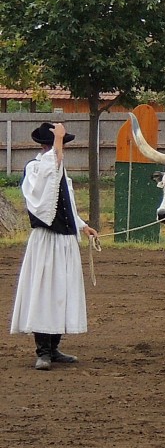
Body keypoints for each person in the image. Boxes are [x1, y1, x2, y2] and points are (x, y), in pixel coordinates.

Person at [10, 122, 99, 370]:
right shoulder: (36, 168)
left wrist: (83, 225)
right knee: (44, 292)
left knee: (62, 291)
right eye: (60, 144)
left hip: (65, 240)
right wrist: (57, 143)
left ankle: (55, 348)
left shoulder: (59, 169)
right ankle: (43, 352)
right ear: (50, 145)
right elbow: (42, 200)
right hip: (46, 240)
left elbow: (66, 204)